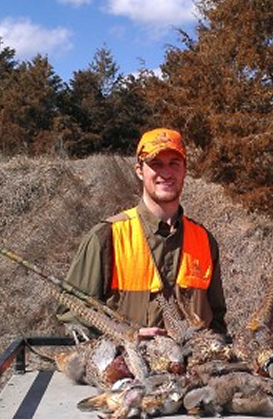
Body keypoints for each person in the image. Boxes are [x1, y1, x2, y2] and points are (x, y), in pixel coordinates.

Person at [57, 128, 227, 339]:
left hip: (193, 360)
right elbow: (72, 314)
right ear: (139, 170)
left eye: (174, 163)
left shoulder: (204, 240)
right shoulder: (107, 236)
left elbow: (217, 322)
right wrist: (126, 335)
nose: (166, 173)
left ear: (185, 170)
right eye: (156, 164)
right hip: (129, 359)